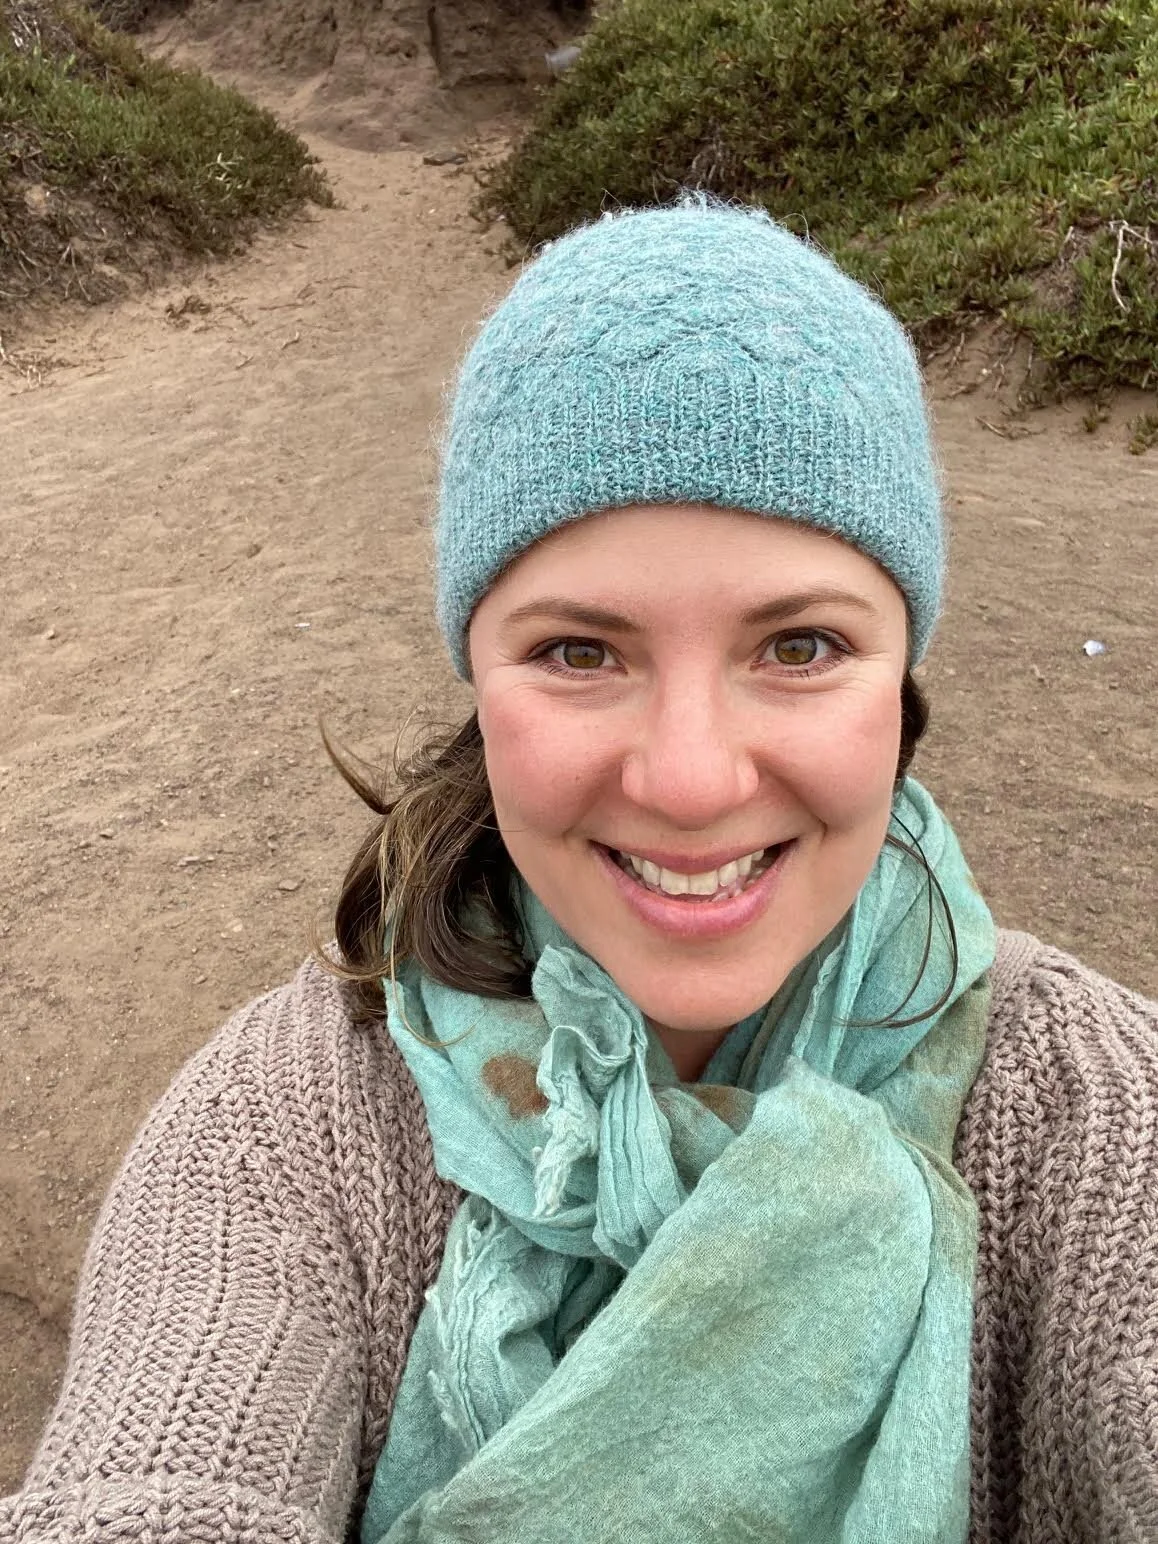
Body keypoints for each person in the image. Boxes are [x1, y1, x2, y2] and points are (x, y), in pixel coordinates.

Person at [2, 200, 1156, 1544]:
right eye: (576, 652)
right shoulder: (285, 1132)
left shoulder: (1090, 1113)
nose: (686, 779)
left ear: (900, 684)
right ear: (475, 678)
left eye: (797, 647)